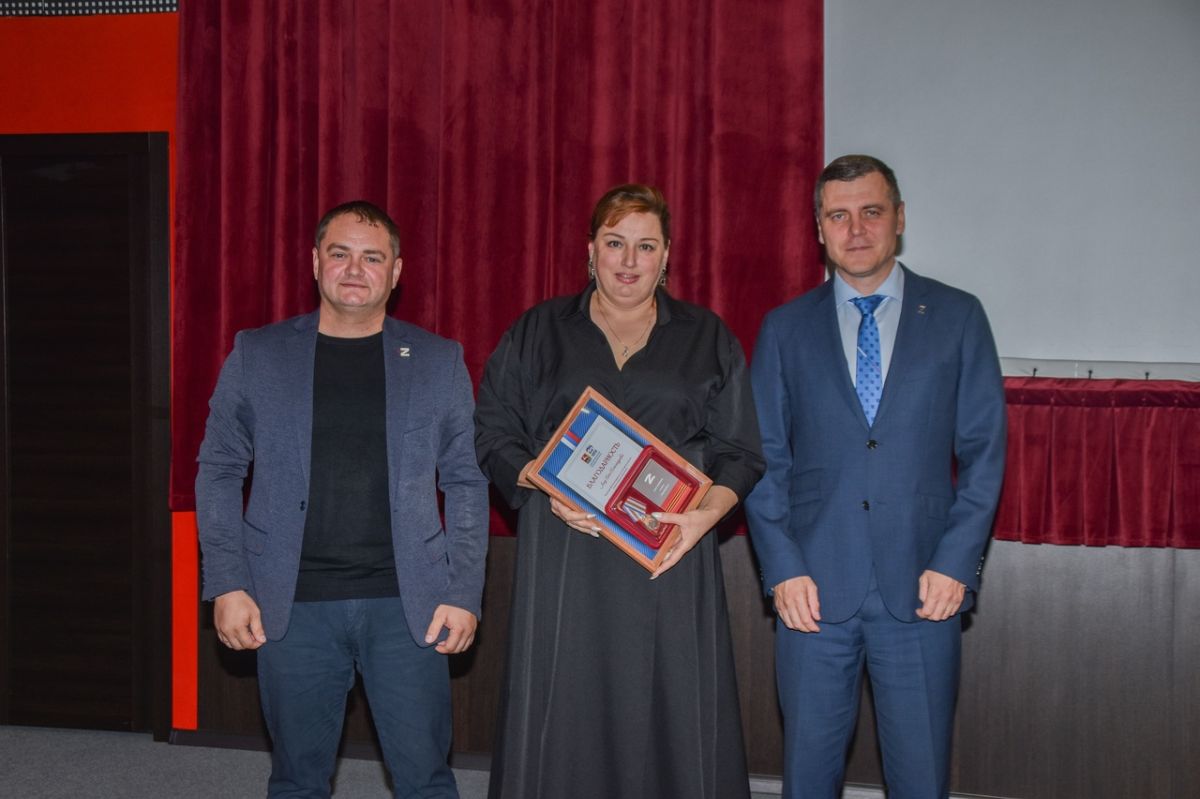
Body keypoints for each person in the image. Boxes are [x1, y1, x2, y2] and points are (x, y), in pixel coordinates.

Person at [475, 184, 765, 799]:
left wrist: (705, 517)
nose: (629, 261)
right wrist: (538, 478)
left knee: (671, 711)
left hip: (670, 550)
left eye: (646, 246)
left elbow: (741, 453)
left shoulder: (707, 336)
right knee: (564, 705)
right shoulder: (537, 330)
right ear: (591, 251)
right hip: (563, 548)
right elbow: (493, 431)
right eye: (615, 243)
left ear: (667, 255)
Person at [195, 200, 488, 798]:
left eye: (372, 257)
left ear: (396, 271)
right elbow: (220, 469)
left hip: (408, 607)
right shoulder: (258, 353)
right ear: (315, 262)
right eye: (340, 254)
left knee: (426, 781)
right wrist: (227, 582)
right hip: (291, 605)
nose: (355, 269)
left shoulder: (438, 361)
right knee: (297, 781)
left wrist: (463, 593)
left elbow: (465, 481)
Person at [745, 155, 1007, 798]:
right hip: (810, 593)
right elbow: (763, 459)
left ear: (900, 218)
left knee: (921, 779)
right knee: (807, 779)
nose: (855, 229)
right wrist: (782, 569)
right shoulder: (784, 328)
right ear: (819, 229)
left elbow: (984, 452)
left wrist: (956, 563)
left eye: (871, 211)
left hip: (924, 589)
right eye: (838, 215)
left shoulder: (958, 316)